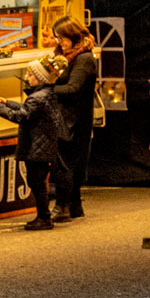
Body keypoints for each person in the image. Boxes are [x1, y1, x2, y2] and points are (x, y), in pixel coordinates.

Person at [0, 52, 68, 231]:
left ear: (40, 78)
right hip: (43, 146)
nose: (26, 77)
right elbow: (26, 109)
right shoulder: (46, 94)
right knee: (37, 181)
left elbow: (19, 116)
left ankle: (44, 217)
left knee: (36, 182)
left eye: (30, 75)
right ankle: (43, 216)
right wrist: (5, 102)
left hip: (37, 148)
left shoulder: (38, 98)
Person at [48, 18, 98, 221]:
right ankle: (74, 205)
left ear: (72, 35)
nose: (59, 42)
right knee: (72, 162)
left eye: (61, 37)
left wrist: (46, 89)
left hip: (74, 119)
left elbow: (72, 89)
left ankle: (63, 205)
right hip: (72, 117)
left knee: (65, 163)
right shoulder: (70, 57)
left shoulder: (84, 59)